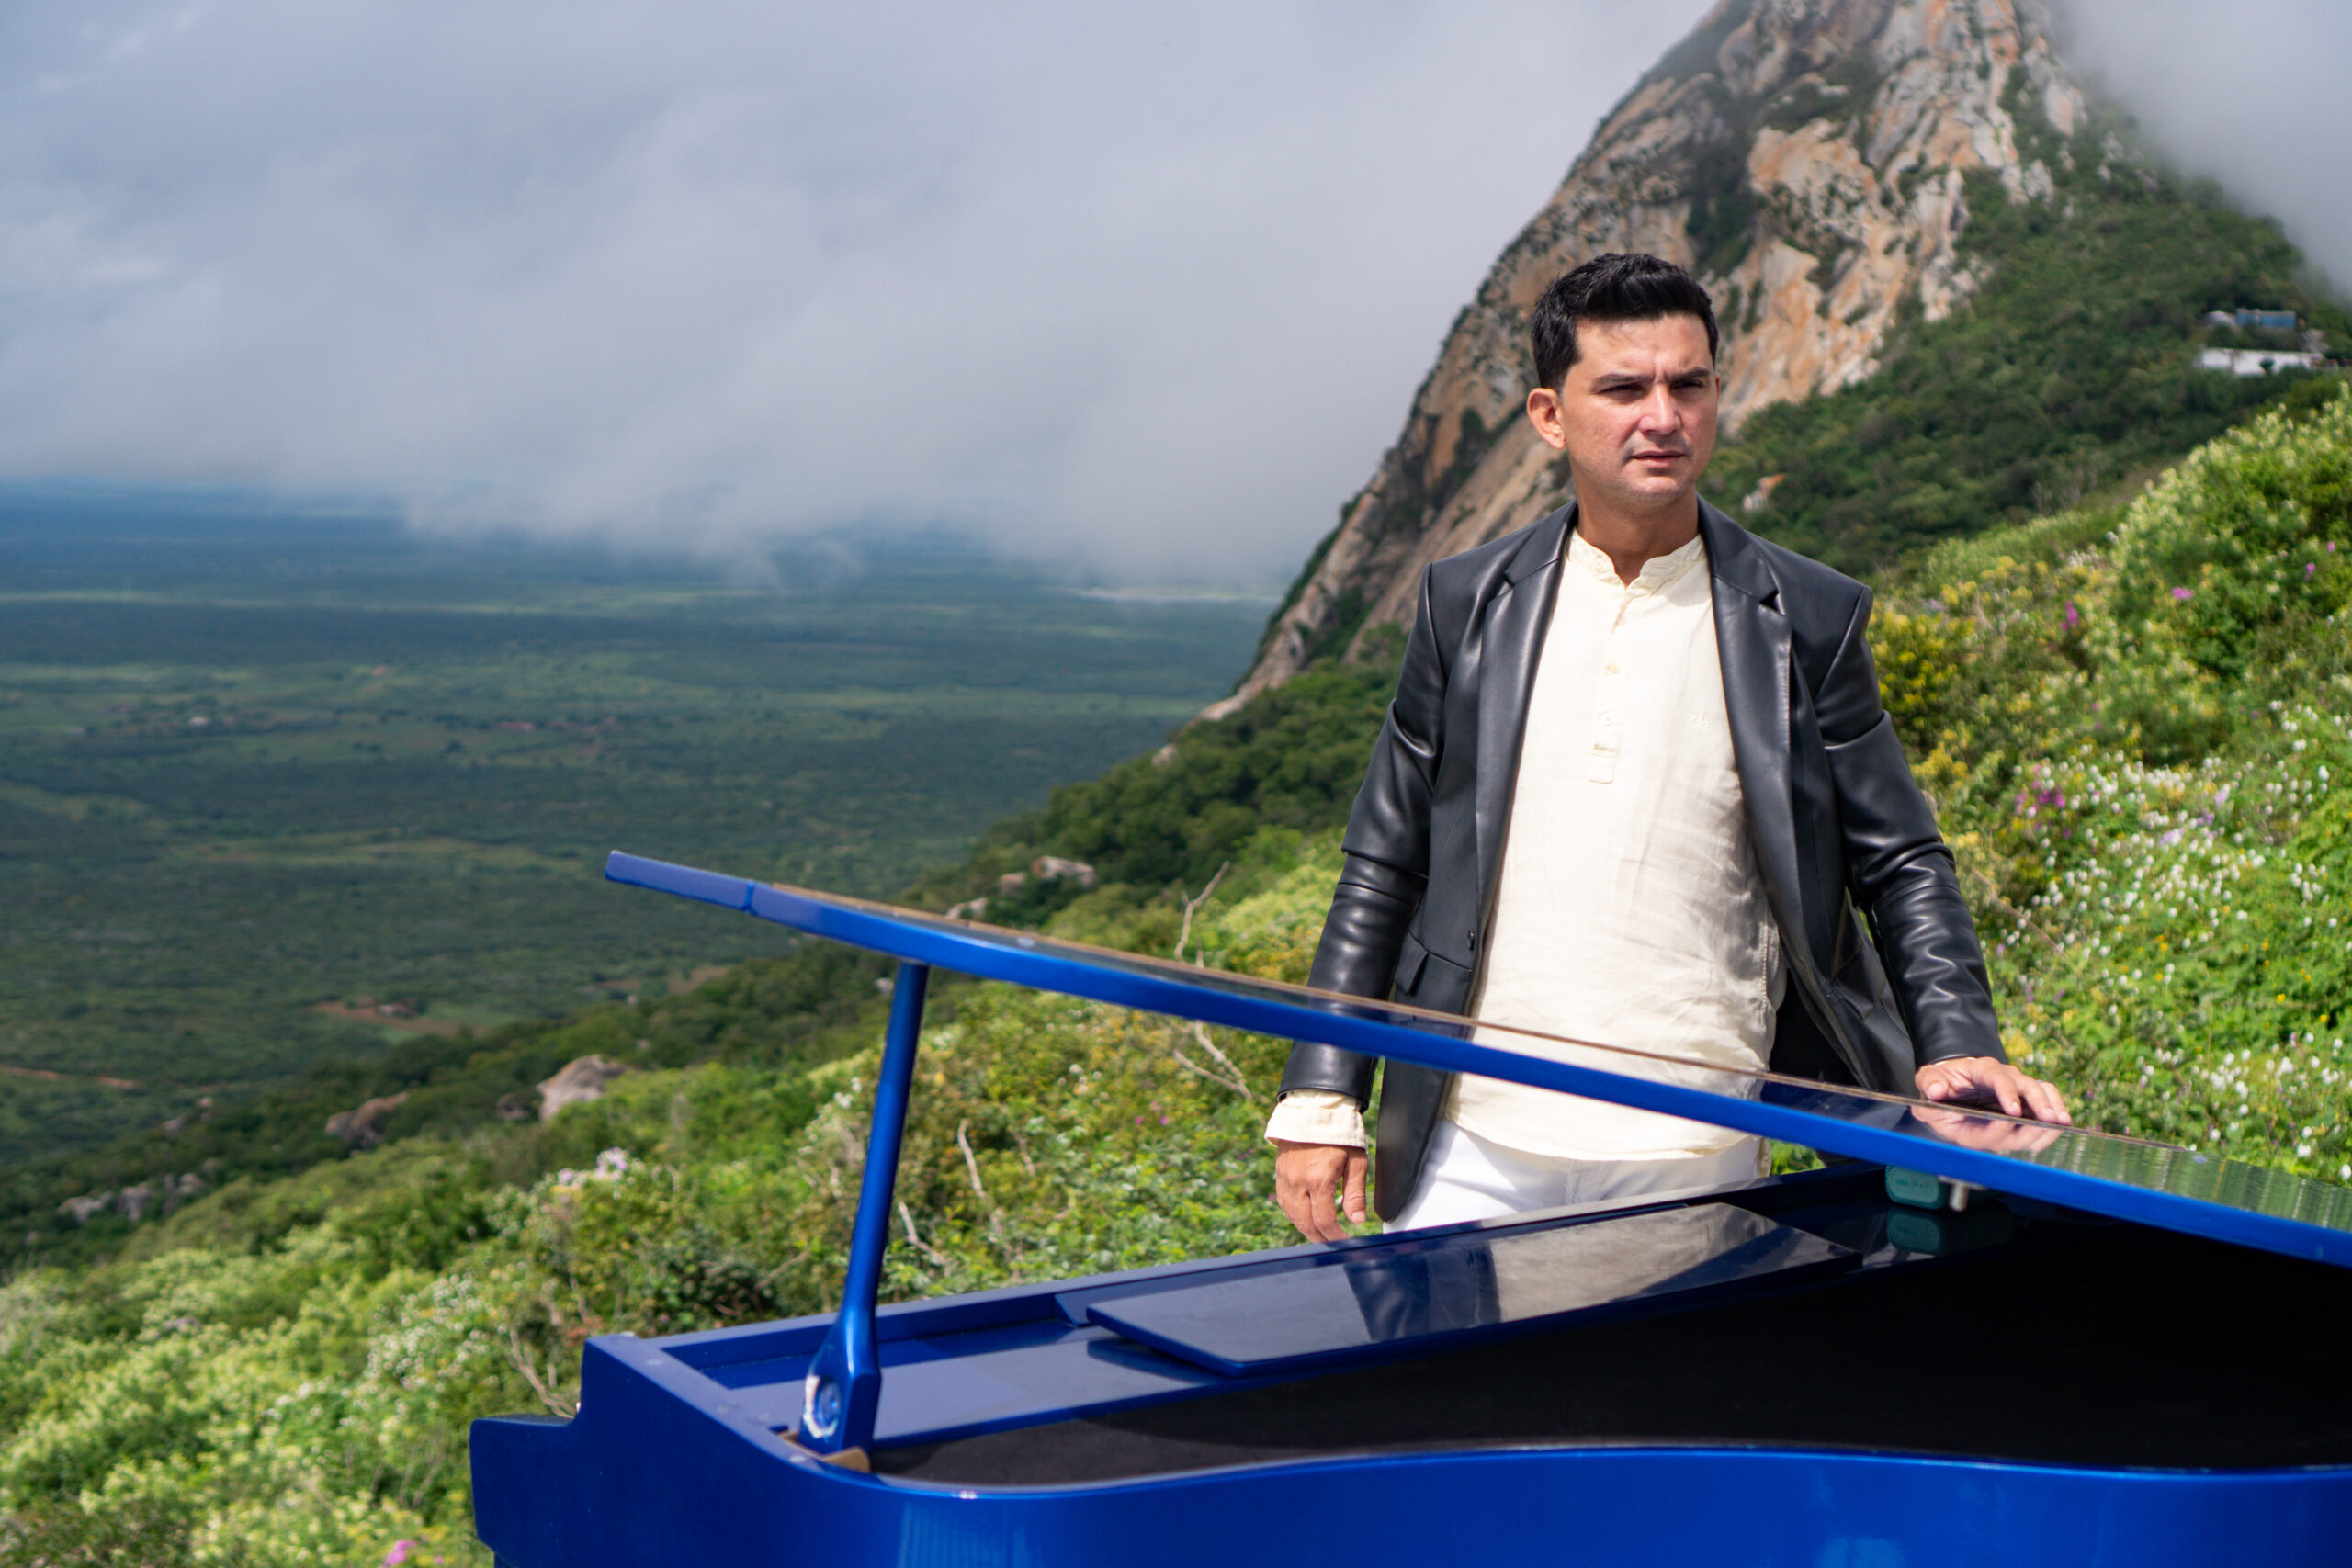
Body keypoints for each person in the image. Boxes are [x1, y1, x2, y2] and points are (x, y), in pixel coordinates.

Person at [1265, 252, 2069, 1243]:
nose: (1663, 416)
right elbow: (1384, 863)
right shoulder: (1466, 605)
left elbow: (1900, 861)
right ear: (1549, 416)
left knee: (1663, 1405)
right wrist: (1320, 1090)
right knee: (1451, 1402)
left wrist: (1957, 1045)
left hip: (1699, 1146)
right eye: (1623, 388)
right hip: (1471, 1139)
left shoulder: (1803, 619)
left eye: (1688, 385)